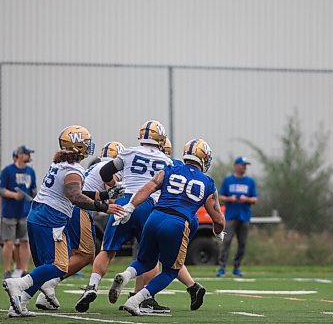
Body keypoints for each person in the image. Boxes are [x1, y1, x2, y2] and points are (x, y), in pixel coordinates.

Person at [2, 125, 125, 318]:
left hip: (38, 215)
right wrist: (103, 206)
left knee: (47, 267)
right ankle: (18, 283)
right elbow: (76, 197)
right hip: (50, 218)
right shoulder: (73, 169)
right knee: (59, 266)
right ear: (77, 146)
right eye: (85, 143)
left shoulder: (60, 164)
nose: (88, 146)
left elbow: (76, 191)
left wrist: (104, 194)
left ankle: (19, 303)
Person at [108, 139, 226, 316]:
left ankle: (125, 275)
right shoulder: (207, 182)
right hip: (177, 223)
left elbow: (148, 187)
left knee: (145, 261)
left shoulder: (171, 168)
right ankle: (136, 300)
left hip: (154, 217)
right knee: (171, 270)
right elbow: (218, 218)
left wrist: (130, 207)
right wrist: (218, 232)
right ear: (203, 158)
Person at [75, 120, 173, 313]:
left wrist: (115, 187)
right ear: (160, 138)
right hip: (147, 206)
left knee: (107, 250)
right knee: (151, 256)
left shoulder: (129, 152)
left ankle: (92, 286)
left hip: (123, 203)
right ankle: (145, 299)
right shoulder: (166, 161)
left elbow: (104, 172)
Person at [35, 141, 126, 310]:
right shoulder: (109, 168)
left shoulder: (95, 166)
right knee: (86, 254)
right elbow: (111, 196)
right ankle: (48, 283)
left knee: (71, 253)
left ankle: (45, 293)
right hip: (80, 209)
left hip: (68, 208)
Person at [0, 145, 37, 279]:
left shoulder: (30, 171)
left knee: (25, 242)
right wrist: (14, 195)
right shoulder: (8, 170)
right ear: (20, 155)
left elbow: (33, 190)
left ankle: (24, 270)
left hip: (25, 212)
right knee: (9, 242)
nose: (29, 157)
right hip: (9, 213)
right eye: (27, 154)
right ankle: (7, 271)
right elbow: (0, 189)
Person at [216, 156, 257, 277]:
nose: (244, 167)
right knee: (226, 242)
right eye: (242, 165)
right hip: (230, 216)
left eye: (245, 165)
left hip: (244, 217)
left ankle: (237, 267)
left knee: (242, 244)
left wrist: (247, 199)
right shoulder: (228, 180)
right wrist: (230, 198)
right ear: (236, 166)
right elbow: (220, 197)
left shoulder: (250, 181)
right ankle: (222, 268)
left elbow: (255, 199)